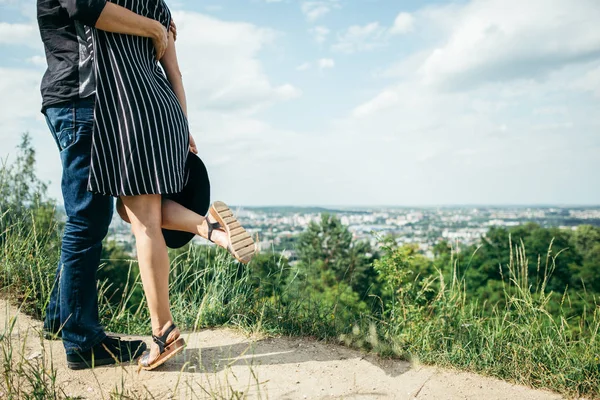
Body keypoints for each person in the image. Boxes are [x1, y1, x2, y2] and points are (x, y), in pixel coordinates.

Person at [89, 0, 256, 370]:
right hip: (166, 110)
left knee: (144, 222)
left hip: (130, 109)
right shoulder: (158, 8)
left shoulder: (109, 4)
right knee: (128, 209)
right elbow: (176, 73)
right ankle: (208, 226)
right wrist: (182, 127)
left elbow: (88, 11)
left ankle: (164, 333)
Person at [37, 0, 175, 370]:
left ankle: (60, 317)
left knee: (91, 219)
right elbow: (85, 5)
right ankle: (82, 341)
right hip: (82, 100)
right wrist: (154, 28)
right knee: (86, 219)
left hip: (88, 103)